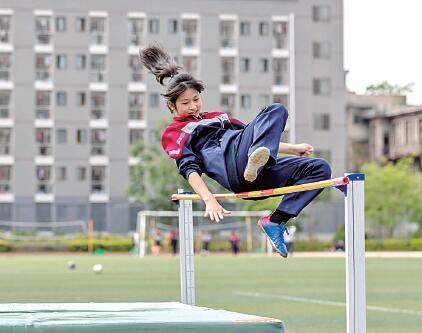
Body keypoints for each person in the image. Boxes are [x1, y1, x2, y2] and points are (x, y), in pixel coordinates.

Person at [139, 44, 332, 258]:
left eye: (196, 99)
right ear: (172, 106)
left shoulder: (219, 116)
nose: (193, 106)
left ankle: (275, 221)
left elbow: (257, 134)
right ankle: (253, 161)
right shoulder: (174, 132)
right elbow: (189, 169)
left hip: (255, 166)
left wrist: (293, 149)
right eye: (185, 103)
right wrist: (209, 199)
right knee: (273, 112)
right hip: (233, 167)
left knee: (319, 169)